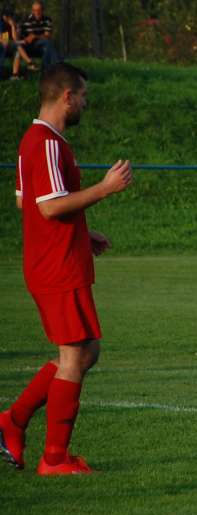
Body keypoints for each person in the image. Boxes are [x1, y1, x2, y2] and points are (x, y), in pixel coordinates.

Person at [0, 63, 133, 476]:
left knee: (86, 350)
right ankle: (54, 457)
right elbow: (49, 205)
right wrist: (105, 189)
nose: (85, 104)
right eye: (84, 97)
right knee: (75, 355)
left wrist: (81, 232)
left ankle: (12, 422)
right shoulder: (47, 143)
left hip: (56, 259)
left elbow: (29, 203)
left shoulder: (36, 139)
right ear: (66, 96)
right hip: (56, 267)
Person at [18, 1, 61, 71]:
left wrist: (35, 36)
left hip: (40, 45)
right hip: (26, 46)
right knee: (17, 46)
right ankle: (58, 65)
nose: (37, 12)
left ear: (42, 10)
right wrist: (25, 39)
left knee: (47, 44)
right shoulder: (25, 20)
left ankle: (48, 69)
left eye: (39, 10)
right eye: (35, 10)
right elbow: (19, 37)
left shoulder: (47, 20)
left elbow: (47, 36)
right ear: (32, 11)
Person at [1, 8, 36, 79]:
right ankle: (30, 63)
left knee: (17, 51)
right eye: (10, 17)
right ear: (5, 17)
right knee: (17, 45)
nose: (11, 18)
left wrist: (13, 26)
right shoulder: (2, 24)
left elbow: (15, 38)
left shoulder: (11, 24)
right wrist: (19, 41)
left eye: (12, 17)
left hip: (9, 46)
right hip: (3, 46)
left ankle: (15, 75)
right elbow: (4, 40)